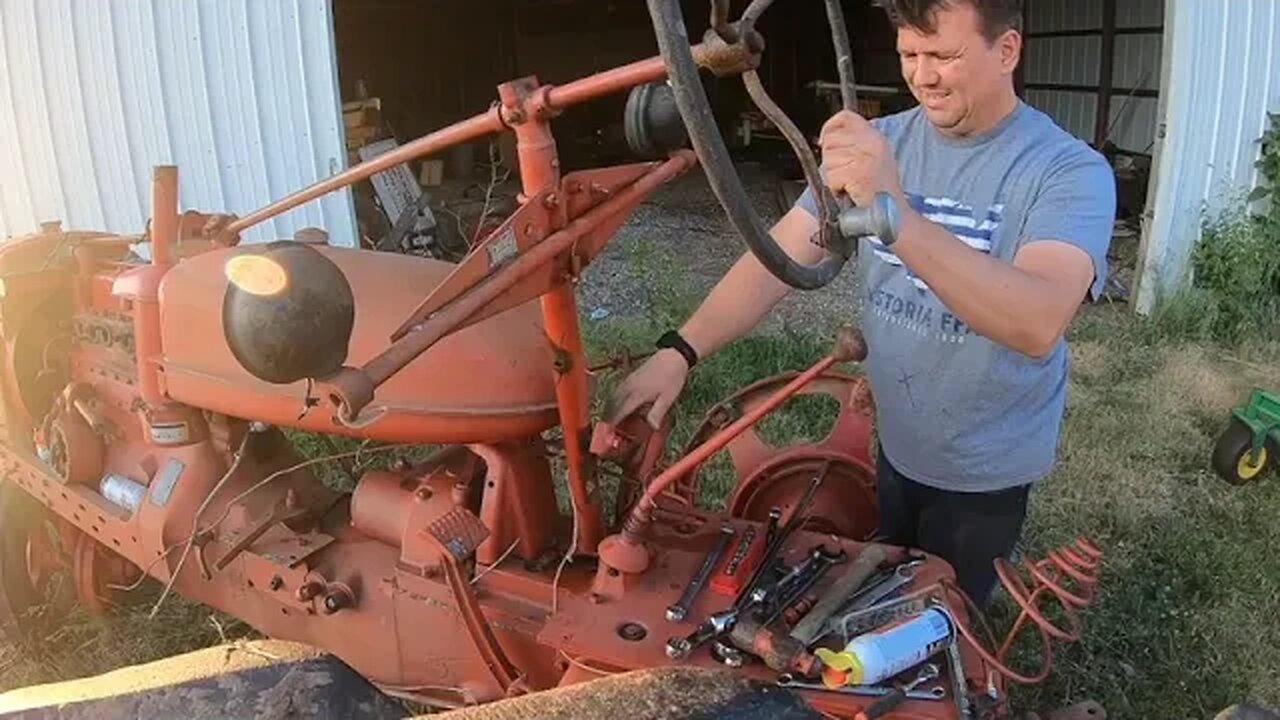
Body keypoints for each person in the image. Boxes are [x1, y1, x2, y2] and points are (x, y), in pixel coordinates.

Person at [609, 0, 1116, 608]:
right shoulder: (884, 145)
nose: (923, 76)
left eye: (945, 56)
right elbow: (777, 260)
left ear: (1006, 50)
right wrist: (680, 350)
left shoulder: (1067, 170)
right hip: (898, 441)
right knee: (874, 592)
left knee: (942, 623)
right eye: (909, 55)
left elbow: (1035, 322)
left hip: (985, 467)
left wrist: (891, 209)